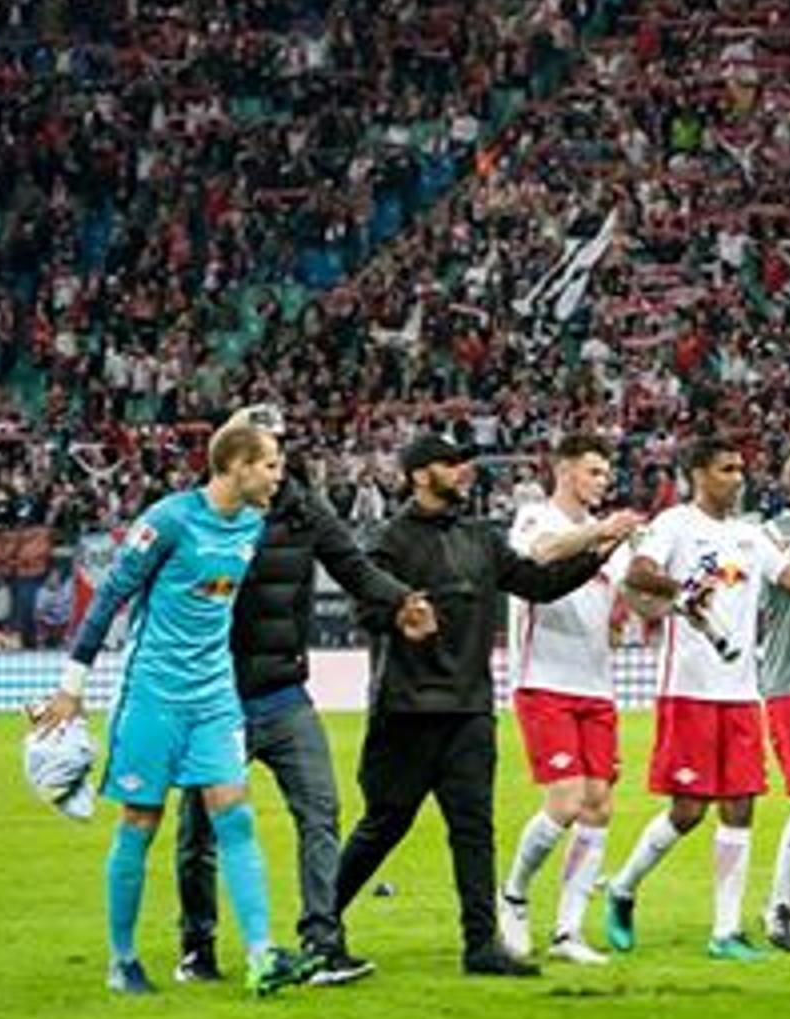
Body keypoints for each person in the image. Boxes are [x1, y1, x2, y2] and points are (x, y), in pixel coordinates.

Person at [333, 433, 639, 977]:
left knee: (474, 829)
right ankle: (321, 923)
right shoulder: (390, 539)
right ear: (421, 474)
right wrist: (400, 615)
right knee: (385, 824)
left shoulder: (481, 537)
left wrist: (602, 550)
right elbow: (365, 611)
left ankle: (481, 946)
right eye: (452, 464)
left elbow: (539, 585)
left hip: (471, 706)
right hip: (407, 708)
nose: (464, 472)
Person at [36, 423, 314, 996]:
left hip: (213, 696)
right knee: (140, 823)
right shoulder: (168, 521)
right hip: (152, 697)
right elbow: (111, 597)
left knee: (234, 816)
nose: (277, 475)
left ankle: (262, 957)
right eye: (269, 465)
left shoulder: (253, 524)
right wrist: (71, 685)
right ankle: (122, 961)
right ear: (236, 466)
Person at [174, 405, 432, 987]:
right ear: (236, 457)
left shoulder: (303, 508)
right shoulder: (201, 516)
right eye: (268, 451)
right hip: (218, 701)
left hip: (285, 696)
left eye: (282, 450)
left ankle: (322, 942)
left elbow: (354, 567)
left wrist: (402, 603)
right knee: (200, 834)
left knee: (321, 812)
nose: (278, 464)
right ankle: (197, 946)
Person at [602, 437, 790, 962]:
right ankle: (623, 886)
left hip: (740, 692)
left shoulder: (750, 535)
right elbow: (638, 573)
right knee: (687, 811)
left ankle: (726, 931)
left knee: (740, 808)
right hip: (687, 689)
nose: (737, 477)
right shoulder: (674, 524)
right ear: (697, 474)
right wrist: (680, 589)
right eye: (726, 468)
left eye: (741, 468)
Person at [497, 434, 636, 967]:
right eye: (594, 472)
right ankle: (513, 896)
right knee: (566, 800)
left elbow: (625, 596)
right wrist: (601, 532)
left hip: (597, 686)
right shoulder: (537, 517)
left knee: (599, 805)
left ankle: (569, 930)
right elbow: (541, 555)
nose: (603, 481)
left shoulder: (608, 543)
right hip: (545, 681)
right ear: (566, 472)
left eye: (605, 473)